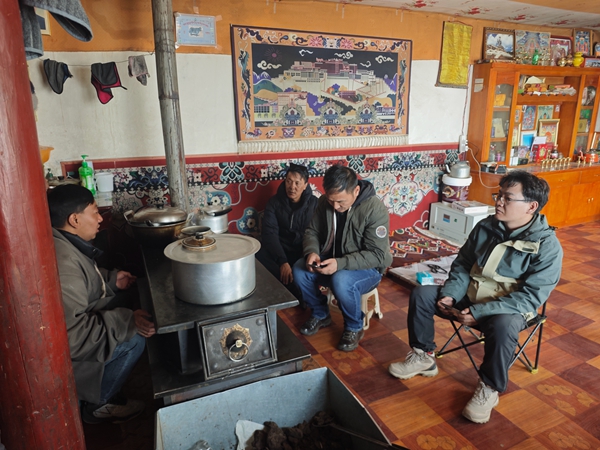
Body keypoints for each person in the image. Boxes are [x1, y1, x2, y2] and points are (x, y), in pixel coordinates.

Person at [388, 170, 563, 424]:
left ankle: (490, 388)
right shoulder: (486, 226)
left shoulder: (547, 246)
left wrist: (481, 312)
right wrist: (450, 294)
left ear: (531, 206)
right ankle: (423, 356)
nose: (499, 202)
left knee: (503, 325)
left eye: (507, 198)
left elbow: (531, 297)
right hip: (471, 296)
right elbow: (462, 264)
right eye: (499, 195)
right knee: (422, 294)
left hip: (507, 309)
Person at [47, 184, 156, 424]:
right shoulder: (64, 262)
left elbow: (84, 283)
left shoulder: (64, 240)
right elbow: (73, 337)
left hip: (83, 322)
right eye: (95, 212)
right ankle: (98, 405)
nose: (99, 219)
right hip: (71, 355)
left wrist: (111, 280)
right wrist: (127, 321)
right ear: (75, 219)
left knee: (130, 298)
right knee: (134, 338)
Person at [292, 164, 392, 351]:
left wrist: (340, 264)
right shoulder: (325, 202)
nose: (336, 207)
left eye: (340, 202)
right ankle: (321, 313)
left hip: (369, 270)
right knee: (299, 269)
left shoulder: (374, 209)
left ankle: (354, 326)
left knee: (341, 279)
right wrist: (312, 252)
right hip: (333, 260)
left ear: (356, 191)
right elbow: (312, 231)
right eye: (331, 201)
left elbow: (377, 255)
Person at [256, 163, 317, 300]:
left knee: (309, 262)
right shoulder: (274, 203)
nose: (292, 187)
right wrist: (283, 261)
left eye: (297, 183)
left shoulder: (315, 204)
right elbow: (270, 233)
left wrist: (307, 254)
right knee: (258, 254)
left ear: (305, 185)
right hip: (280, 251)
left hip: (302, 251)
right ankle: (295, 292)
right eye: (289, 181)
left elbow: (318, 234)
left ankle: (289, 291)